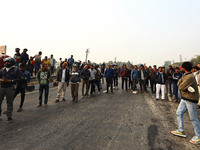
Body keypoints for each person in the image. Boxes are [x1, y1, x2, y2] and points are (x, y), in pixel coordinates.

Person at [171, 62, 200, 144]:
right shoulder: (185, 75)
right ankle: (181, 130)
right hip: (184, 99)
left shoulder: (190, 77)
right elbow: (179, 83)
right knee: (179, 113)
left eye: (181, 67)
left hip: (190, 100)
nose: (180, 68)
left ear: (184, 68)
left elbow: (180, 86)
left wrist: (181, 84)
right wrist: (181, 84)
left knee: (193, 118)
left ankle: (198, 136)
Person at [0, 57, 20, 123]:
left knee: (9, 102)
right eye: (6, 62)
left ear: (12, 63)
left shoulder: (16, 70)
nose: (6, 63)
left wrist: (11, 81)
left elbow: (18, 79)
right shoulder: (2, 70)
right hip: (1, 87)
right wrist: (1, 80)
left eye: (8, 62)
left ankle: (9, 117)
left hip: (10, 88)